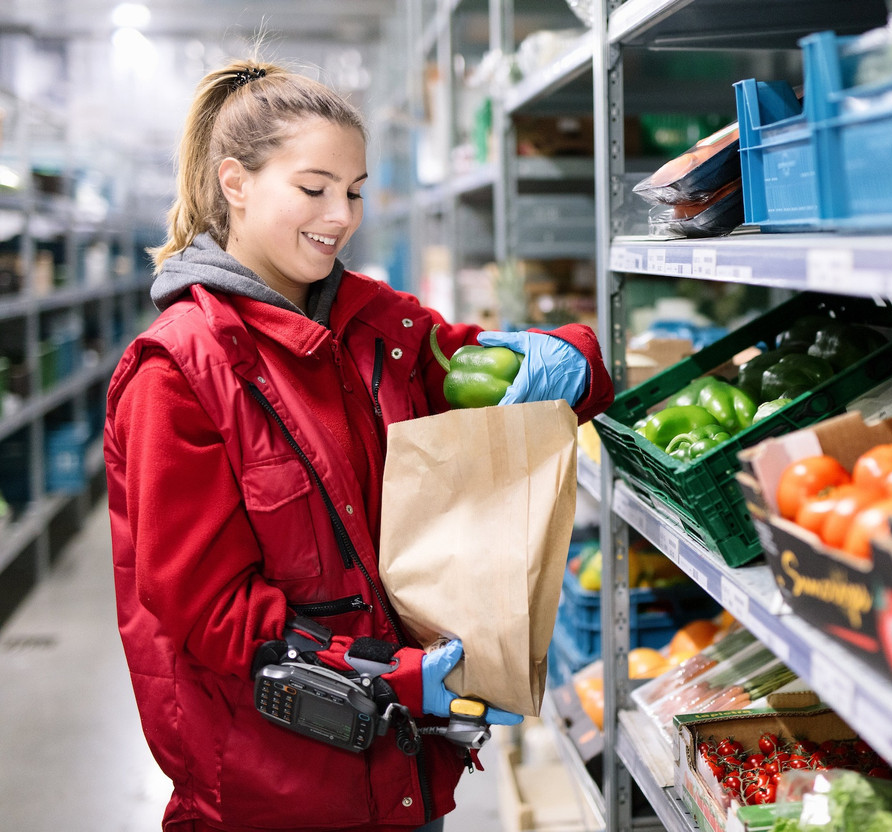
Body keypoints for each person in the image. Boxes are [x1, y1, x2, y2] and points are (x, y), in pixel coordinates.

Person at [103, 58, 614, 832]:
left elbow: (491, 367)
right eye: (313, 189)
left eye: (355, 190)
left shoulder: (379, 326)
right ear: (235, 183)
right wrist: (395, 678)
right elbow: (215, 617)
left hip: (402, 772)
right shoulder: (178, 372)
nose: (340, 215)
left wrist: (574, 355)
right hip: (273, 790)